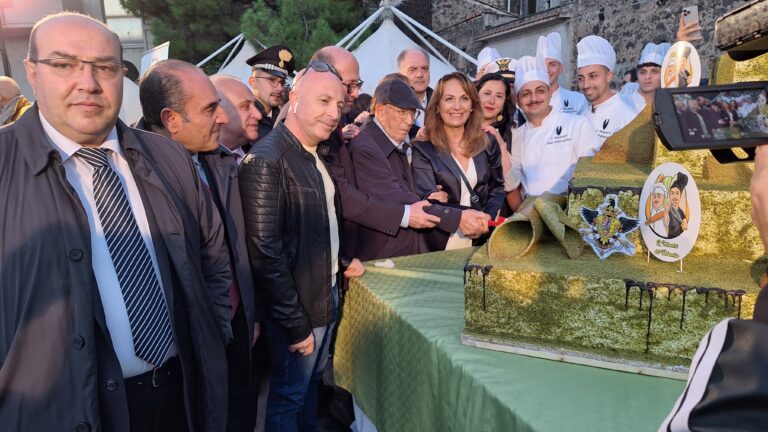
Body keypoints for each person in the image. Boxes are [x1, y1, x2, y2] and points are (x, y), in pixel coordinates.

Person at [1, 12, 232, 432]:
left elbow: (213, 259)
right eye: (65, 64)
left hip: (179, 395)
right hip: (64, 412)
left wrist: (212, 338)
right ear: (32, 72)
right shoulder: (4, 167)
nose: (88, 83)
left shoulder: (168, 157)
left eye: (105, 67)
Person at [137, 61, 264, 432]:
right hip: (187, 340)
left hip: (236, 324)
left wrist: (249, 314)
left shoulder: (220, 160)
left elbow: (237, 246)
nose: (222, 118)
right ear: (171, 119)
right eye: (210, 109)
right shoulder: (132, 177)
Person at [240, 61, 363, 431]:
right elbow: (265, 251)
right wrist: (295, 325)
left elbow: (317, 223)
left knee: (308, 391)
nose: (333, 113)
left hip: (323, 295)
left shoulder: (312, 151)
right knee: (289, 398)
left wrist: (341, 261)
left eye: (339, 105)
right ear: (294, 99)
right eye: (323, 100)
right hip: (299, 310)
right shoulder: (268, 159)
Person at [348, 77, 490, 259]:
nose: (409, 121)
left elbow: (410, 195)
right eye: (402, 112)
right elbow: (397, 198)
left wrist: (428, 197)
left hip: (406, 253)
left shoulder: (395, 143)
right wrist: (459, 218)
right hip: (382, 259)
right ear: (380, 109)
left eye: (412, 113)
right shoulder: (366, 147)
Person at [412, 72, 502, 250]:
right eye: (449, 99)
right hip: (439, 243)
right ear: (437, 106)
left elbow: (497, 188)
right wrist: (465, 217)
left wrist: (486, 220)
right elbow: (427, 201)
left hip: (481, 241)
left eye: (464, 98)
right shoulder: (423, 149)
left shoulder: (488, 142)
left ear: (472, 106)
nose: (457, 106)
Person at [505, 55, 599, 210]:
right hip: (532, 214)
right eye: (526, 93)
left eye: (540, 91)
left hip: (572, 211)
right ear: (518, 101)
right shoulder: (516, 136)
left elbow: (591, 174)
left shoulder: (577, 124)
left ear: (549, 94)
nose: (533, 98)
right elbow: (512, 185)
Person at [577, 35, 641, 149]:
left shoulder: (627, 117)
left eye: (593, 76)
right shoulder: (582, 114)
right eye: (581, 78)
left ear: (608, 76)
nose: (586, 84)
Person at [247, 44, 295, 144]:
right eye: (272, 80)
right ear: (253, 82)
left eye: (282, 82)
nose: (279, 88)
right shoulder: (245, 120)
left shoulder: (285, 120)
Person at [212, 74, 263, 163]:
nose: (258, 115)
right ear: (218, 112)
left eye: (255, 105)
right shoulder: (195, 163)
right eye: (246, 106)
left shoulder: (263, 157)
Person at [537, 32, 589, 115]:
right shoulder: (530, 103)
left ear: (561, 68)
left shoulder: (577, 100)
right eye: (542, 65)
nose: (547, 70)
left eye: (552, 65)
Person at [628, 42, 671, 110]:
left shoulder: (672, 106)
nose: (647, 76)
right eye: (643, 72)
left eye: (654, 72)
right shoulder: (625, 104)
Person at [398, 47, 432, 129]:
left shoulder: (441, 102)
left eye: (424, 68)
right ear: (400, 74)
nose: (419, 74)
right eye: (412, 70)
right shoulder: (389, 105)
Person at [667, 172, 689, 239]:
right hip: (669, 238)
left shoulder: (680, 211)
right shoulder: (668, 210)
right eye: (672, 193)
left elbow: (684, 218)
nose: (674, 196)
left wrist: (685, 222)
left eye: (677, 193)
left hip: (679, 239)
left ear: (680, 196)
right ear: (669, 196)